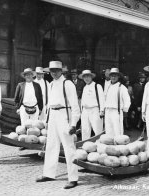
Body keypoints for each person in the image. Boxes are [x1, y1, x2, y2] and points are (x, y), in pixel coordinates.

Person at [36, 61, 80, 189]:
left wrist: (73, 124)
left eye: (56, 70)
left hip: (64, 116)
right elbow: (49, 105)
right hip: (53, 116)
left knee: (69, 147)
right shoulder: (50, 84)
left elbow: (75, 106)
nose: (54, 73)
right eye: (51, 71)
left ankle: (73, 178)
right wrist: (48, 121)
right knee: (51, 146)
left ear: (62, 71)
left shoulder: (68, 84)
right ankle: (48, 174)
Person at [104, 67, 131, 138]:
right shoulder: (108, 87)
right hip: (107, 111)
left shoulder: (122, 87)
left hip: (117, 111)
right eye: (112, 75)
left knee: (117, 131)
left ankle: (118, 147)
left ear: (118, 76)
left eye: (115, 75)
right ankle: (110, 147)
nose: (113, 77)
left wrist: (125, 110)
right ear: (109, 76)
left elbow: (127, 100)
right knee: (108, 130)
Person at [79, 70, 105, 140]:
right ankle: (85, 145)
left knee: (97, 129)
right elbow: (83, 100)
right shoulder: (84, 87)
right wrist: (81, 111)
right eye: (84, 77)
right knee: (85, 130)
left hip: (95, 110)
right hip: (85, 111)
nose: (86, 78)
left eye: (88, 76)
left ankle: (99, 145)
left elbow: (102, 99)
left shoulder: (97, 86)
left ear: (91, 77)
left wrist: (102, 110)